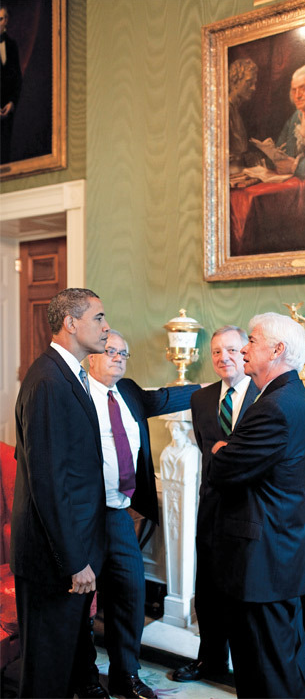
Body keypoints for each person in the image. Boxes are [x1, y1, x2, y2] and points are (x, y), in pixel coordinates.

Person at [82, 330, 201, 699]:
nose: (118, 357)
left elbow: (163, 398)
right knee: (80, 602)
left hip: (118, 511)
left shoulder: (129, 391)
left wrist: (218, 385)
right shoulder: (75, 394)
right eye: (110, 351)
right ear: (89, 356)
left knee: (131, 594)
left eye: (124, 353)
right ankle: (85, 678)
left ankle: (126, 675)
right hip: (83, 516)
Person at [208, 312, 305, 699]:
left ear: (277, 350)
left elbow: (222, 470)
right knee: (284, 663)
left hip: (260, 562)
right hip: (274, 555)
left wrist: (221, 451)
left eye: (251, 341)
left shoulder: (273, 406)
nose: (243, 348)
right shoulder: (288, 396)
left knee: (265, 672)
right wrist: (227, 451)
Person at [10, 288, 110, 699]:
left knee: (65, 668)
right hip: (55, 562)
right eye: (100, 318)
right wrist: (74, 562)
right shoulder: (50, 380)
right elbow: (49, 482)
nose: (107, 327)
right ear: (71, 323)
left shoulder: (66, 373)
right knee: (45, 677)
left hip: (67, 554)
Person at [172, 325, 258, 684]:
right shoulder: (201, 399)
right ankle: (209, 661)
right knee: (207, 592)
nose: (225, 358)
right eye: (217, 352)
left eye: (233, 350)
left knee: (245, 594)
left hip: (251, 513)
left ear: (247, 353)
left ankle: (251, 670)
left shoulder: (265, 395)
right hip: (211, 510)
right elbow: (207, 450)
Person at [228, 58, 259, 174]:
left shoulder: (236, 111)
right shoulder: (226, 111)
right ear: (235, 82)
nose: (253, 88)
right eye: (249, 82)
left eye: (254, 83)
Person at [0, 2, 22, 164]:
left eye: (0, 19)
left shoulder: (12, 45)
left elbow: (17, 78)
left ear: (6, 20)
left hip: (8, 108)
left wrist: (12, 102)